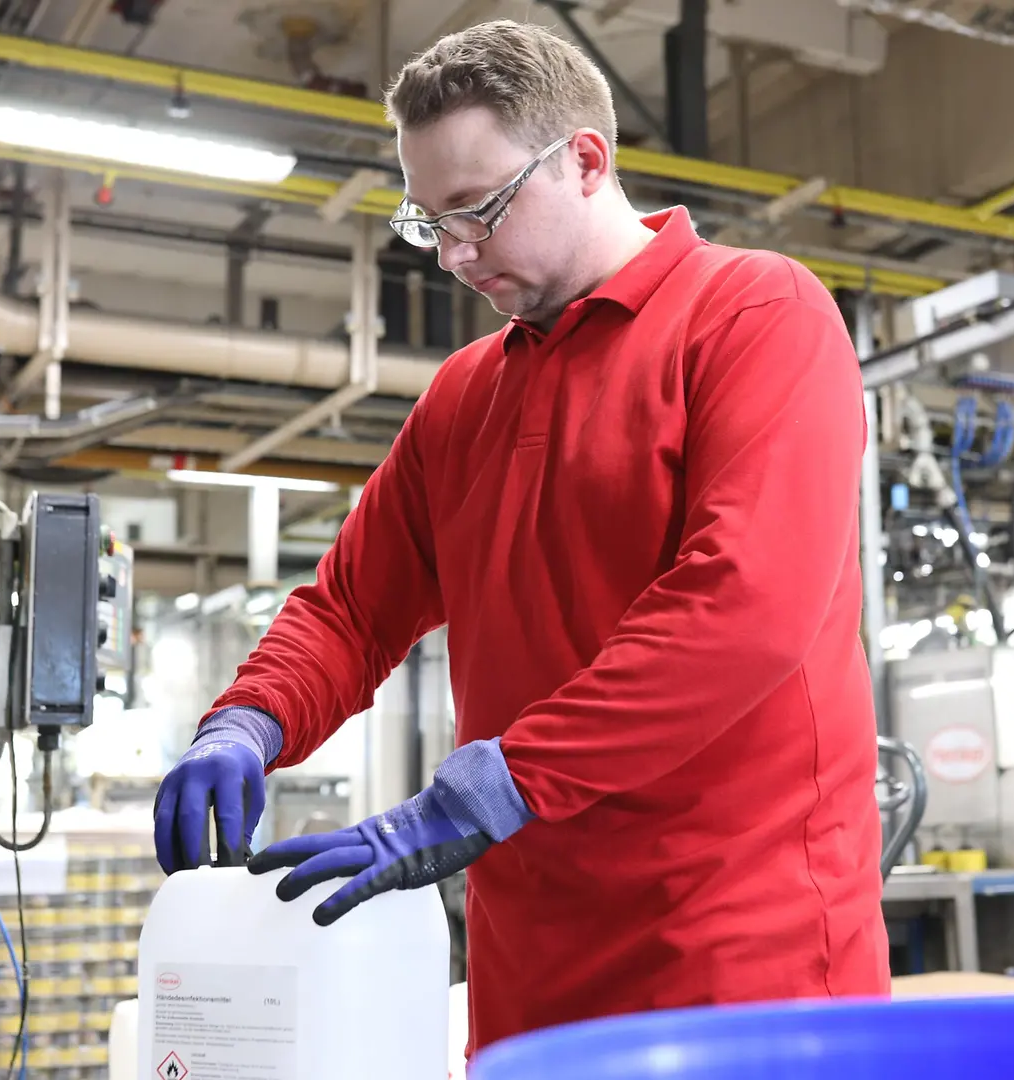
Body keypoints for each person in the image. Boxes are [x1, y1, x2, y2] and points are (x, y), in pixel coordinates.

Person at [153, 17, 886, 1054]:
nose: (453, 255)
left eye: (478, 211)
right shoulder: (465, 396)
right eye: (429, 223)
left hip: (739, 958)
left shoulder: (755, 317)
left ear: (585, 161)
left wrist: (488, 788)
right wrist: (247, 723)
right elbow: (354, 610)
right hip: (528, 966)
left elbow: (744, 607)